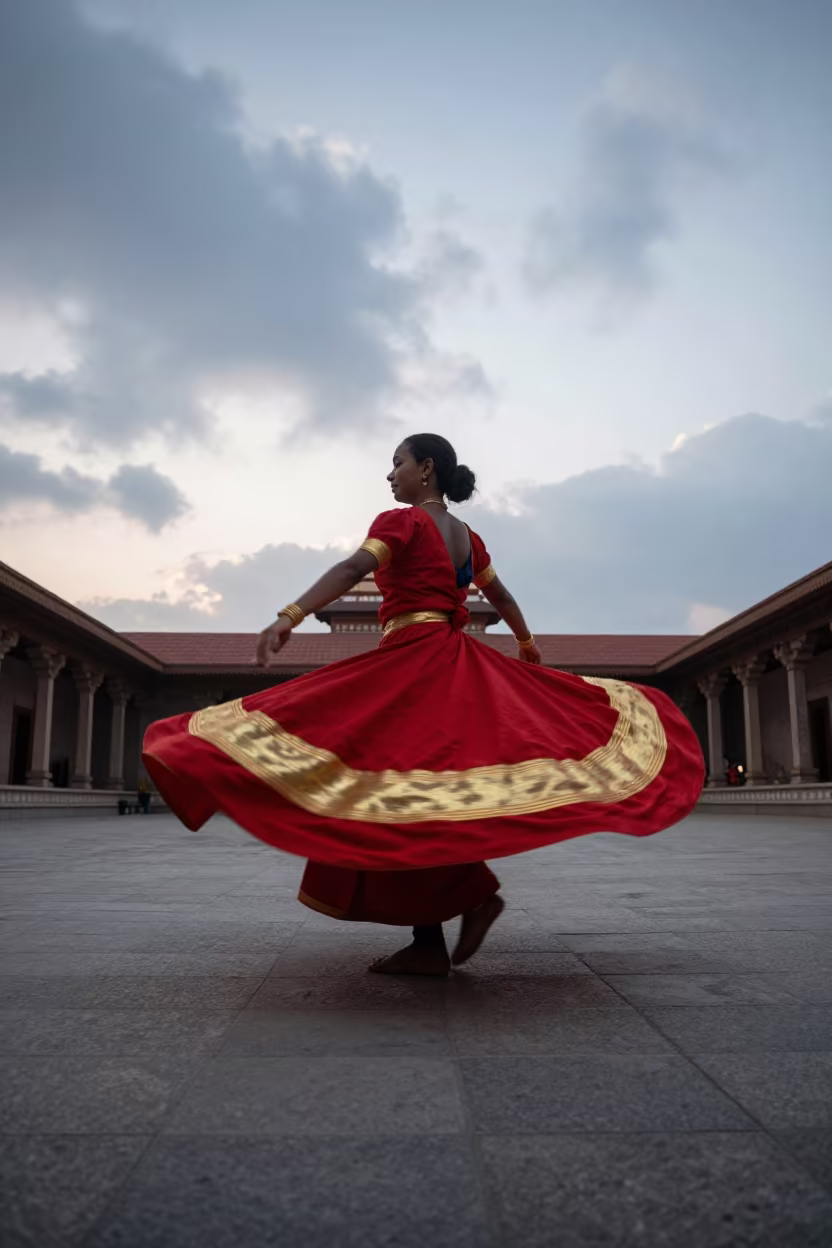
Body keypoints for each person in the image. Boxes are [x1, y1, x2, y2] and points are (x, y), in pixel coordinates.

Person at [143, 433, 704, 976]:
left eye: (397, 463)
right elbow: (501, 596)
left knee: (373, 780)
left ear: (427, 468)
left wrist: (288, 616)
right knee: (415, 792)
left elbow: (350, 571)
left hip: (411, 662)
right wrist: (528, 644)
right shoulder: (466, 535)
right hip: (457, 661)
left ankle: (446, 922)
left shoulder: (402, 521)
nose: (390, 475)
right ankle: (441, 928)